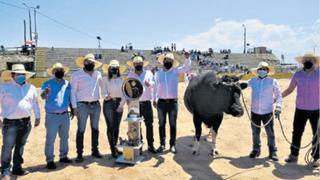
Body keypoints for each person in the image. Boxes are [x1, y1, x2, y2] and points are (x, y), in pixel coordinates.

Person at [0, 64, 40, 178]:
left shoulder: (31, 87)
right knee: (8, 147)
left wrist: (37, 116)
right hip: (10, 123)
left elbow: (35, 103)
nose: (21, 76)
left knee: (20, 146)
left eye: (23, 74)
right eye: (18, 74)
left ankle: (17, 168)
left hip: (26, 122)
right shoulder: (4, 87)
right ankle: (5, 171)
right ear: (12, 75)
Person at [282, 52, 320, 168]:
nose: (308, 61)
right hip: (300, 109)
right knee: (297, 132)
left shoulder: (319, 74)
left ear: (314, 61)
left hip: (316, 109)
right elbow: (290, 89)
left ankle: (316, 158)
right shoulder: (297, 75)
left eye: (311, 59)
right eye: (306, 59)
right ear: (303, 62)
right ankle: (293, 155)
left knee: (317, 134)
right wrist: (277, 97)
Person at [41, 63, 77, 169]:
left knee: (65, 137)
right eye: (56, 70)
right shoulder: (47, 83)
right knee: (50, 139)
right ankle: (50, 160)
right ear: (53, 72)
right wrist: (46, 92)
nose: (59, 71)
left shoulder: (68, 84)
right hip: (52, 115)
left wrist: (74, 109)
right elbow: (43, 96)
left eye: (61, 69)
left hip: (65, 115)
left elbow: (71, 97)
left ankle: (63, 156)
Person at [153, 52, 191, 153]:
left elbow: (186, 68)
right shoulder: (158, 73)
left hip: (172, 103)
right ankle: (162, 144)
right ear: (163, 61)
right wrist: (154, 99)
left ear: (172, 62)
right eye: (166, 60)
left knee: (173, 124)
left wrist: (187, 58)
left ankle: (172, 145)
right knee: (161, 124)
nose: (168, 62)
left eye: (170, 61)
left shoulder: (175, 71)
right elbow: (155, 86)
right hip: (161, 102)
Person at [244, 61, 282, 161]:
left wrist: (278, 107)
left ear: (267, 71)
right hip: (255, 111)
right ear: (257, 71)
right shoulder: (252, 80)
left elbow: (279, 96)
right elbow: (243, 84)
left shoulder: (273, 81)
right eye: (260, 69)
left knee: (270, 132)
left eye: (264, 69)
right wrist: (236, 82)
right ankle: (256, 149)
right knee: (255, 132)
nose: (262, 71)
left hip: (267, 112)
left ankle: (272, 151)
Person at [71, 53, 103, 163]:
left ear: (94, 63)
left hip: (96, 105)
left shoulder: (98, 74)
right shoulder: (76, 75)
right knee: (81, 129)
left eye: (92, 62)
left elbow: (103, 87)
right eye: (88, 62)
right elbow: (73, 91)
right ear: (84, 62)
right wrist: (74, 107)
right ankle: (79, 153)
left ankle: (95, 150)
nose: (90, 64)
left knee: (95, 129)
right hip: (82, 105)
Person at [127, 56, 157, 153]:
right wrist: (128, 99)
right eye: (136, 63)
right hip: (135, 104)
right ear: (133, 64)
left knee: (149, 124)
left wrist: (150, 84)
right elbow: (127, 87)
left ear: (143, 64)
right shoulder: (130, 74)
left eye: (140, 63)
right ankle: (138, 145)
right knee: (136, 125)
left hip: (146, 102)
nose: (138, 65)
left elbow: (154, 82)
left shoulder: (148, 73)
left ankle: (150, 145)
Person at [101, 60, 126, 158]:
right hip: (108, 103)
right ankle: (112, 149)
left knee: (116, 126)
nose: (114, 70)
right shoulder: (105, 79)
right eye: (112, 68)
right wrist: (106, 96)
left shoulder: (122, 80)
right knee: (110, 126)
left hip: (119, 103)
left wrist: (121, 106)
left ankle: (115, 147)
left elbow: (125, 93)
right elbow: (103, 91)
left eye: (116, 68)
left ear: (118, 69)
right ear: (109, 69)